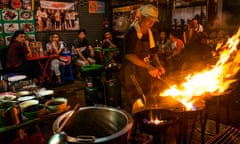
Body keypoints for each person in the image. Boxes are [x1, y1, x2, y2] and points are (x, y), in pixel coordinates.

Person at [121, 4, 165, 113]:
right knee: (135, 100)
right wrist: (148, 66)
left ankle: (145, 121)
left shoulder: (151, 33)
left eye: (153, 21)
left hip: (144, 73)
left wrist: (158, 65)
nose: (151, 23)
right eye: (148, 20)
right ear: (141, 18)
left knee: (147, 97)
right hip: (132, 73)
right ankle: (133, 123)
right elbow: (129, 55)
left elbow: (153, 53)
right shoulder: (132, 32)